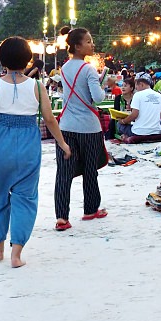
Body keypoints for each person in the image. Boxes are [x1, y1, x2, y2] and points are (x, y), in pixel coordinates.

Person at [0, 36, 70, 268]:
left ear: (2, 59)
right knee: (25, 197)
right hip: (28, 144)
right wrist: (63, 144)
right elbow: (50, 120)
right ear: (28, 59)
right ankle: (16, 254)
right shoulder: (37, 86)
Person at [54, 27, 111, 231]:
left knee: (64, 173)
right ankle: (90, 209)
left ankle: (61, 217)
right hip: (88, 127)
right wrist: (102, 83)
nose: (92, 44)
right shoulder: (88, 69)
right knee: (89, 170)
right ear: (77, 46)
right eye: (88, 41)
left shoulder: (64, 68)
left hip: (67, 126)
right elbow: (97, 98)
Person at [117, 72, 161, 137]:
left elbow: (134, 115)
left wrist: (123, 121)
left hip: (139, 132)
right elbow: (160, 116)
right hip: (157, 131)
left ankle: (126, 135)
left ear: (141, 84)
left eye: (136, 86)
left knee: (119, 125)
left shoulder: (137, 95)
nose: (136, 89)